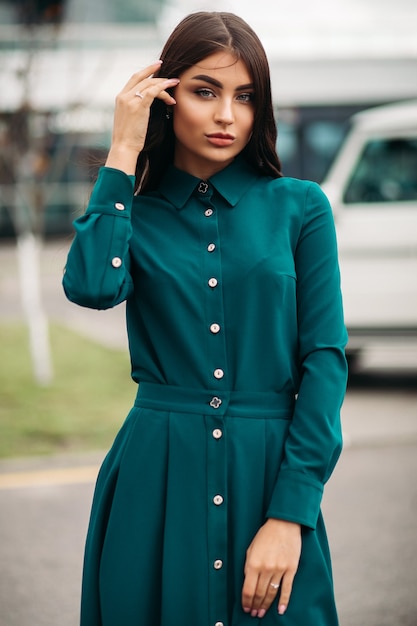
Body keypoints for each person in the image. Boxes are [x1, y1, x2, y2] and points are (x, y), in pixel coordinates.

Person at [63, 11, 348, 626]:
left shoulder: (301, 208)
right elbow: (90, 287)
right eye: (205, 91)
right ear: (165, 99)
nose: (227, 116)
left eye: (246, 97)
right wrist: (122, 149)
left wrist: (290, 513)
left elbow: (324, 362)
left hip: (268, 473)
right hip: (155, 481)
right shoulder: (132, 214)